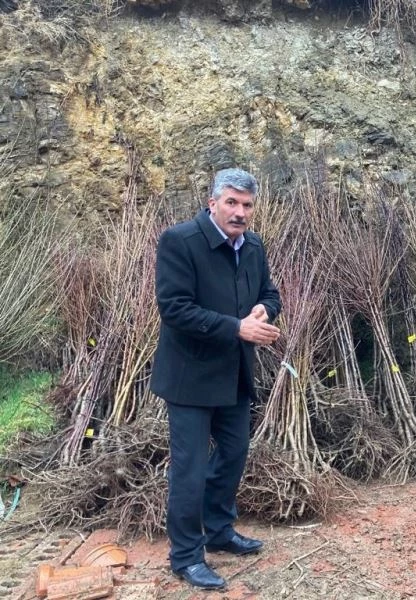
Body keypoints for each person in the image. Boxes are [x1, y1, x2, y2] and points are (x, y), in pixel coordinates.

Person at [150, 168, 281, 590]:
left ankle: (219, 531)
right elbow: (174, 309)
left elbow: (270, 294)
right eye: (231, 203)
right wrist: (236, 328)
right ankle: (186, 555)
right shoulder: (180, 241)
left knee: (234, 452)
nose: (239, 213)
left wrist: (264, 311)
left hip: (234, 372)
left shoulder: (254, 245)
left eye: (246, 205)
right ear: (212, 203)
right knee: (188, 468)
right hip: (190, 376)